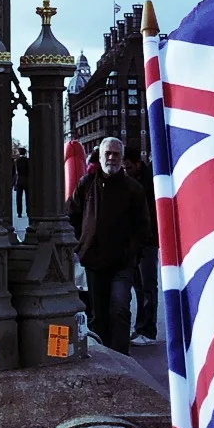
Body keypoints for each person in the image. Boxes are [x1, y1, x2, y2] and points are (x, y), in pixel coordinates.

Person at [65, 136, 149, 355]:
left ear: (122, 158)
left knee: (120, 308)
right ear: (100, 157)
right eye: (107, 154)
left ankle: (122, 360)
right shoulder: (86, 184)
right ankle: (103, 359)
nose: (112, 157)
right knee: (98, 314)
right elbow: (71, 214)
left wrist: (129, 252)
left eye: (116, 154)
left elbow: (143, 227)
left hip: (122, 264)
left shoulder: (134, 189)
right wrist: (78, 245)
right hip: (93, 261)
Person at [124, 144, 158, 342]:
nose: (126, 171)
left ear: (137, 164)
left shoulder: (150, 182)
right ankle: (141, 327)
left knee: (147, 286)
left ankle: (148, 331)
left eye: (128, 167)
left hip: (148, 241)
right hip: (135, 242)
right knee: (138, 286)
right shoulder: (132, 181)